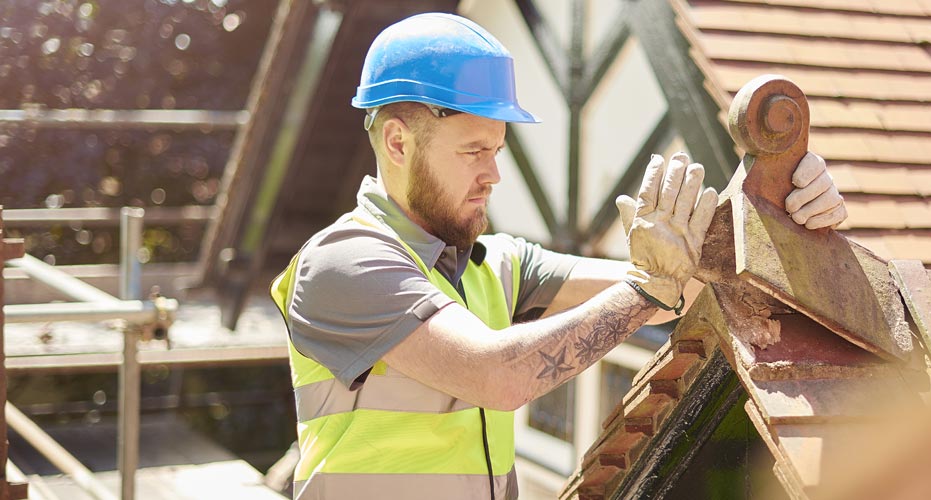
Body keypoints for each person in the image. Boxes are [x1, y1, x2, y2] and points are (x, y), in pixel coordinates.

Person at [270, 12, 847, 500]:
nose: (493, 174)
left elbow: (687, 292)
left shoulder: (497, 264)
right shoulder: (342, 262)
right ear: (398, 142)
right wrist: (647, 287)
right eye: (474, 151)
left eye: (497, 150)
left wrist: (780, 208)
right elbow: (495, 375)